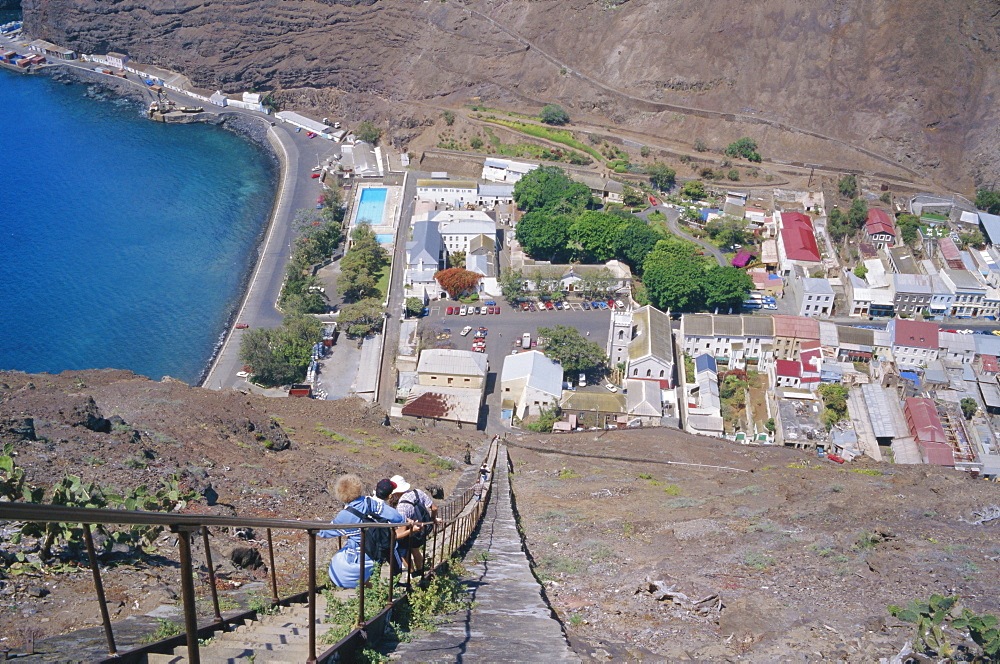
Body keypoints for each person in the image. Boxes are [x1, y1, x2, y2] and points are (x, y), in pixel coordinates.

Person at [318, 474, 406, 588]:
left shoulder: (344, 515)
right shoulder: (370, 502)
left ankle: (365, 598)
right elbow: (397, 518)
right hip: (376, 549)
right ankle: (375, 597)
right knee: (374, 572)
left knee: (339, 565)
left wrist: (307, 526)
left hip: (358, 556)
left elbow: (325, 532)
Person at [387, 475, 440, 574]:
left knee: (403, 554)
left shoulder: (402, 505)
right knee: (415, 550)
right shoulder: (418, 493)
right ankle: (420, 570)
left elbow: (401, 527)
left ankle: (412, 574)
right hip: (422, 529)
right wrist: (433, 519)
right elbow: (434, 508)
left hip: (410, 531)